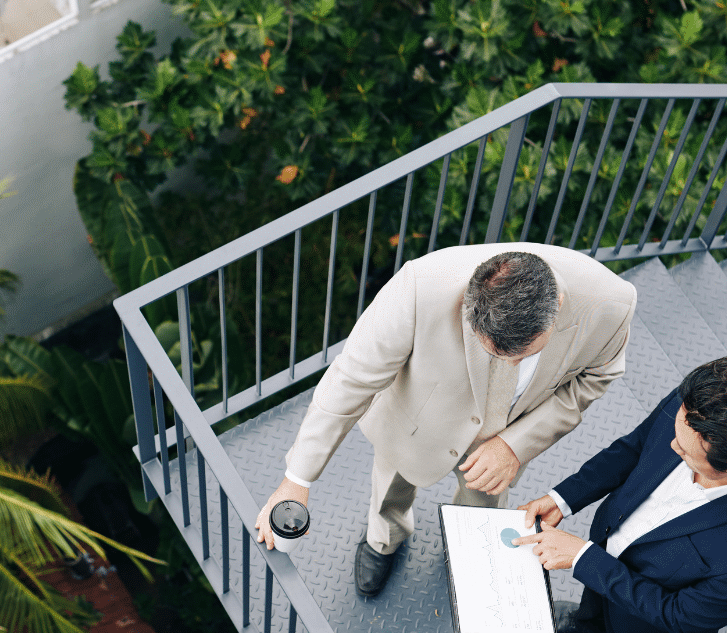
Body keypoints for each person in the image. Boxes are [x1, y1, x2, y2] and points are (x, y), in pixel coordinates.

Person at [253, 244, 636, 597]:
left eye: (524, 355)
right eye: (497, 353)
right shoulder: (418, 287)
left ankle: (467, 554)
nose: (511, 366)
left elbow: (597, 377)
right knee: (389, 490)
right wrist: (297, 479)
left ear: (559, 304)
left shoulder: (613, 304)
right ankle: (383, 540)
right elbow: (351, 378)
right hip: (415, 422)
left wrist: (515, 445)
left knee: (482, 509)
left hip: (506, 440)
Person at [515, 355, 727, 633]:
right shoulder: (697, 405)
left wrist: (583, 558)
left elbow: (678, 616)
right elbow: (636, 447)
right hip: (606, 546)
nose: (673, 446)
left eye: (684, 451)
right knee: (593, 607)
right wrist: (563, 499)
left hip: (642, 631)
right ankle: (587, 621)